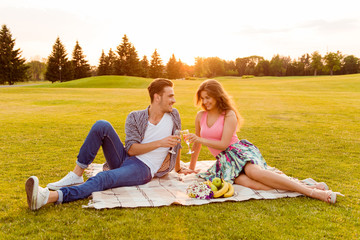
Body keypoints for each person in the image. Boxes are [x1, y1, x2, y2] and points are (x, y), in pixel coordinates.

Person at [25, 78, 195, 211]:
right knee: (102, 125)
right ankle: (77, 173)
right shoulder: (135, 117)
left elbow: (177, 145)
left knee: (103, 178)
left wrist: (178, 168)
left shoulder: (174, 116)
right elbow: (131, 149)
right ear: (157, 97)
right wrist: (160, 143)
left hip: (143, 169)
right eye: (170, 96)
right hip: (126, 159)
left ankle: (48, 197)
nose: (174, 100)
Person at [185, 79, 344, 204]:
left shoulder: (229, 114)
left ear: (217, 95)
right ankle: (305, 186)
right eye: (202, 98)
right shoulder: (200, 116)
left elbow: (225, 144)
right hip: (225, 161)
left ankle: (315, 193)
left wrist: (199, 138)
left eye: (208, 97)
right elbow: (197, 144)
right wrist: (192, 167)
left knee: (255, 173)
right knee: (250, 183)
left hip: (238, 152)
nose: (205, 102)